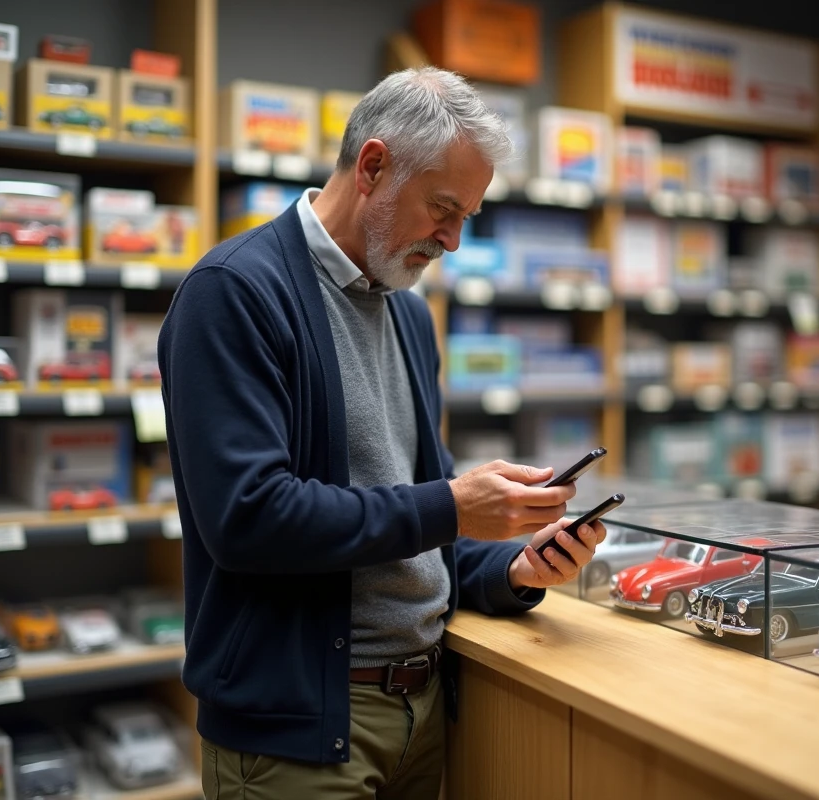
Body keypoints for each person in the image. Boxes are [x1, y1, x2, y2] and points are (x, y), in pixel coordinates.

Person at [158, 66, 607, 800]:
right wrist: (453, 505)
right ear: (372, 167)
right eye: (443, 208)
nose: (453, 240)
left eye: (468, 216)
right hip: (298, 732)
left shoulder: (408, 313)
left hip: (422, 711)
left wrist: (513, 566)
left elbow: (416, 523)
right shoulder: (235, 292)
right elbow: (248, 519)